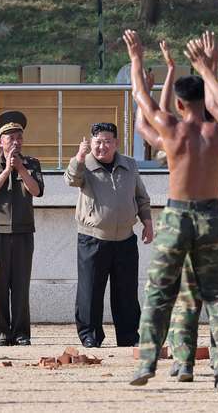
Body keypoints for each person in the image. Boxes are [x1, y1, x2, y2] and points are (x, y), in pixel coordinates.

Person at [123, 29, 218, 386]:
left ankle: (147, 363)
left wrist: (137, 58)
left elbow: (142, 100)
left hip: (177, 213)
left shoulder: (172, 130)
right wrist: (209, 69)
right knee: (217, 294)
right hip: (212, 214)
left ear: (181, 105)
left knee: (160, 289)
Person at [64, 122, 153, 348]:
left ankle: (129, 336)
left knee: (126, 291)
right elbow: (71, 179)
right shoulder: (84, 164)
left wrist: (147, 223)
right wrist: (79, 157)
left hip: (125, 238)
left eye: (107, 141)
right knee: (90, 291)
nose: (102, 146)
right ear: (91, 143)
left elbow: (141, 197)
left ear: (115, 143)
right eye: (97, 142)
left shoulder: (130, 165)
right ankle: (90, 335)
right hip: (93, 238)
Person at [0, 110, 44, 346]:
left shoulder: (32, 164)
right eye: (10, 137)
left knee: (21, 285)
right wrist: (6, 170)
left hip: (24, 232)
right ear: (0, 141)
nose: (15, 141)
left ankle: (21, 333)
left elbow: (36, 191)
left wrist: (21, 170)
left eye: (19, 137)